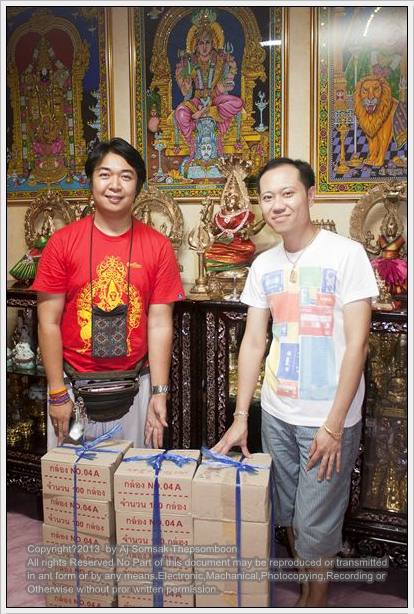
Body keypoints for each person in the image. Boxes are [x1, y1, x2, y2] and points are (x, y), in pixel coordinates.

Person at [212, 157, 378, 607]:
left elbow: (358, 345)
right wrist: (242, 416)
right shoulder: (263, 264)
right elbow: (253, 342)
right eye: (268, 197)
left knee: (315, 519)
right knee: (287, 509)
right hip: (276, 411)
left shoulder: (346, 255)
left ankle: (314, 599)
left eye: (288, 193)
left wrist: (334, 424)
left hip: (327, 417)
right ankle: (307, 586)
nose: (277, 204)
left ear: (310, 195)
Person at [32, 137, 185, 448]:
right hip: (72, 388)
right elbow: (48, 322)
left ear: (138, 185)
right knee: (75, 474)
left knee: (133, 473)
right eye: (105, 174)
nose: (115, 185)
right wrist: (57, 392)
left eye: (126, 176)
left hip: (137, 385)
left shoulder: (158, 246)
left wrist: (159, 393)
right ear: (91, 180)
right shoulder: (61, 243)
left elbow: (159, 323)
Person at [174, 17, 243, 160]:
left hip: (215, 101)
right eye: (201, 43)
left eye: (207, 42)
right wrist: (185, 84)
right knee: (180, 112)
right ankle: (193, 143)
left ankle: (206, 114)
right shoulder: (189, 62)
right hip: (197, 102)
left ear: (213, 43)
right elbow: (186, 92)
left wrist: (224, 82)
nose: (204, 47)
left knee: (238, 103)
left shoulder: (221, 60)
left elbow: (228, 83)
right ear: (195, 45)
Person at [369, 212, 407, 295]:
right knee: (376, 274)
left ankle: (393, 293)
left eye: (392, 227)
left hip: (396, 264)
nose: (390, 230)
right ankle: (382, 292)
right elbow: (376, 251)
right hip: (382, 263)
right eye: (388, 227)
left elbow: (403, 252)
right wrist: (365, 246)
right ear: (385, 228)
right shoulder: (381, 238)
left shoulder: (400, 239)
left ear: (397, 228)